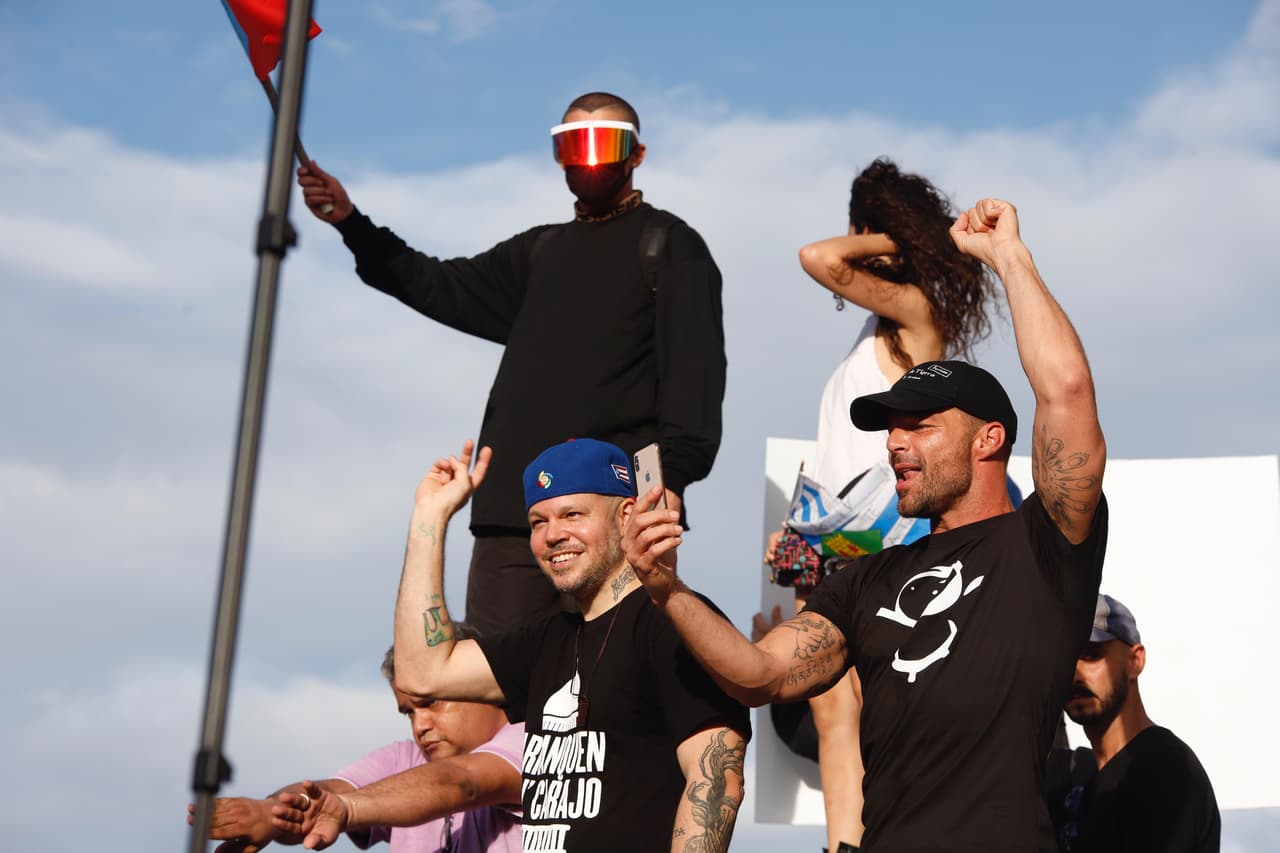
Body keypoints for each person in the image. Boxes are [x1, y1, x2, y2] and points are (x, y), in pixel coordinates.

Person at [626, 197, 1108, 851]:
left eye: (920, 425)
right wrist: (667, 589)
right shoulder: (863, 580)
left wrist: (1008, 257)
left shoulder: (1043, 545)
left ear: (989, 438)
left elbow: (1067, 389)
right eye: (890, 428)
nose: (894, 444)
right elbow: (760, 674)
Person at [297, 92, 726, 636]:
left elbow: (696, 381)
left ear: (636, 153)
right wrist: (350, 221)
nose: (589, 158)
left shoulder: (669, 246)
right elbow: (435, 283)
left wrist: (670, 479)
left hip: (613, 513)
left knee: (615, 676)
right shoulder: (539, 252)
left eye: (605, 142)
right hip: (513, 518)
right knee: (496, 678)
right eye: (573, 144)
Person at [764, 157, 996, 851]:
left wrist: (895, 239)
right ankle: (845, 843)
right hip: (830, 539)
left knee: (871, 703)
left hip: (883, 538)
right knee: (831, 705)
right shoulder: (876, 329)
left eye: (870, 228)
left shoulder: (917, 314)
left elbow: (817, 257)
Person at [384, 437, 750, 852]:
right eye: (538, 522)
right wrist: (429, 517)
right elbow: (421, 672)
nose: (553, 535)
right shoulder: (546, 640)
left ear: (625, 516)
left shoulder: (673, 621)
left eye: (572, 514)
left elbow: (715, 782)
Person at [190, 631, 522, 852]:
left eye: (431, 702)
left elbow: (460, 783)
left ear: (486, 689)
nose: (420, 725)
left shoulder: (531, 740)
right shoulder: (404, 760)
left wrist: (346, 809)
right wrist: (271, 813)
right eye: (408, 712)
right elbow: (329, 791)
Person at [1047, 594, 1220, 852]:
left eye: (1091, 654)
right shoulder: (1082, 774)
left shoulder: (1162, 770)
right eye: (1064, 660)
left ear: (1135, 660)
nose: (1074, 673)